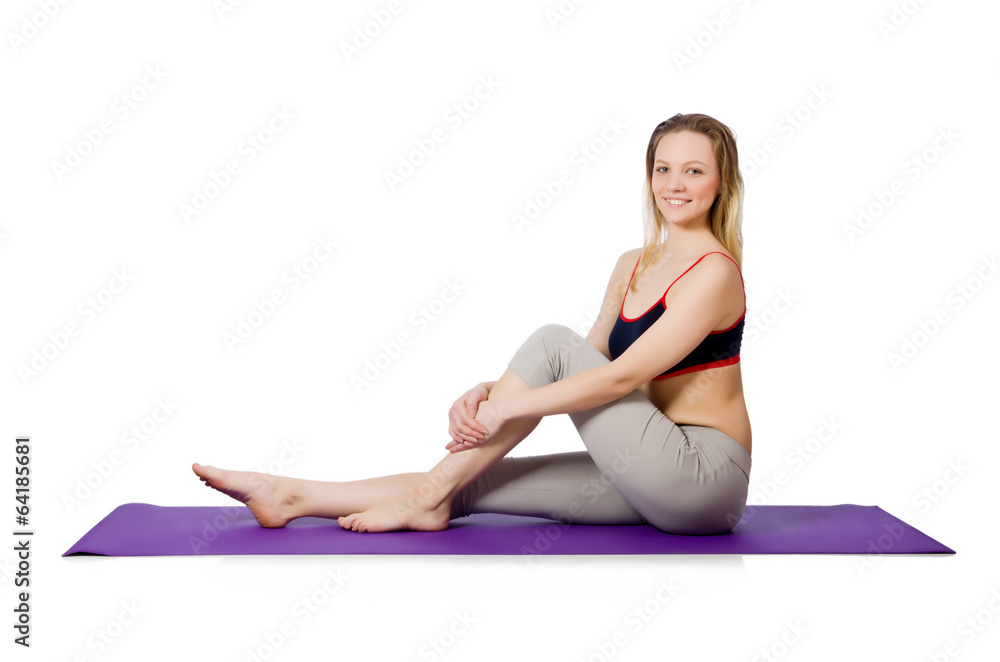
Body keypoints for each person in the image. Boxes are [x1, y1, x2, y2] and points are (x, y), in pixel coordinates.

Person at [192, 112, 753, 536]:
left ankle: (422, 498)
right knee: (469, 480)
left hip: (701, 479)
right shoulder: (632, 263)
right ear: (649, 177)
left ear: (721, 182)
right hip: (645, 466)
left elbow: (616, 381)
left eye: (694, 170)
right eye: (663, 169)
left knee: (547, 341)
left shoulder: (716, 273)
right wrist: (498, 387)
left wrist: (507, 406)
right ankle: (290, 494)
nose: (674, 183)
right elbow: (589, 362)